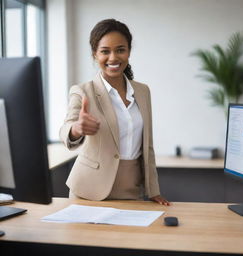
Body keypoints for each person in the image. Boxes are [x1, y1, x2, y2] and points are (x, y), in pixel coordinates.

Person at [60, 19, 170, 206]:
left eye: (120, 50)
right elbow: (66, 128)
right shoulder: (82, 91)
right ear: (95, 54)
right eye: (105, 51)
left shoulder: (143, 92)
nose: (113, 58)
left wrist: (153, 190)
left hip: (131, 191)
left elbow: (147, 146)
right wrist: (77, 129)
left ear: (128, 52)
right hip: (88, 191)